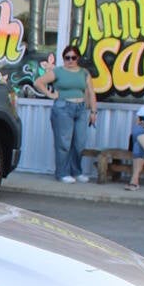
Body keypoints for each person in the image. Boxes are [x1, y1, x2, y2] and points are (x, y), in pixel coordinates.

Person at [34, 46, 98, 183]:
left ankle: (76, 171)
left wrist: (93, 111)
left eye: (73, 57)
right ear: (63, 59)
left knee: (80, 143)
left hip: (81, 108)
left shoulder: (84, 73)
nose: (70, 60)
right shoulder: (58, 71)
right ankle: (62, 173)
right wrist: (50, 94)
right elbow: (38, 82)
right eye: (67, 58)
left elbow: (91, 92)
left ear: (78, 58)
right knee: (64, 142)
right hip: (63, 107)